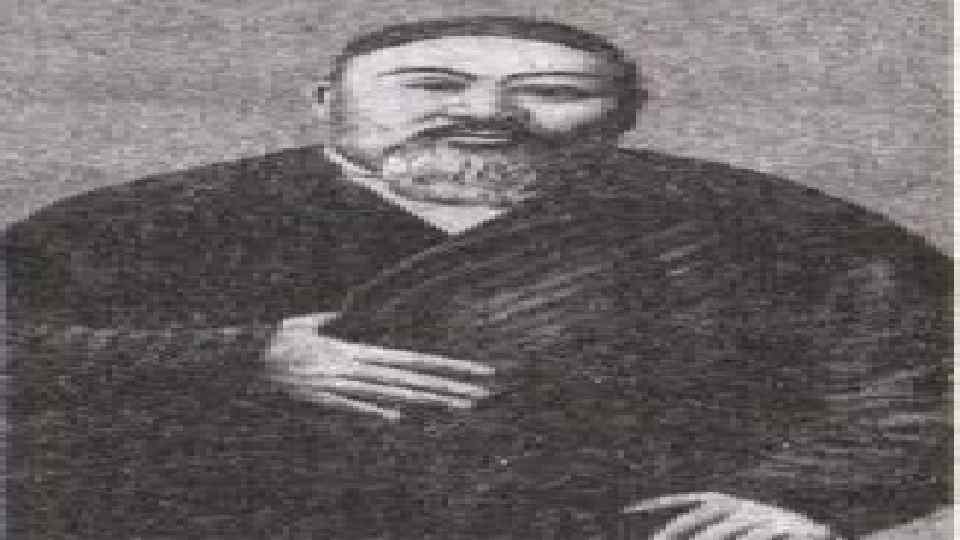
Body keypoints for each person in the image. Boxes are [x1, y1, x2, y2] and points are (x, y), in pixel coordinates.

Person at [4, 16, 949, 539]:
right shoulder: (145, 222)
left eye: (552, 92)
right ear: (326, 103)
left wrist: (810, 498)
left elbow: (924, 373)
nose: (487, 113)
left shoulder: (770, 226)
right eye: (430, 85)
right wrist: (242, 355)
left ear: (625, 116)